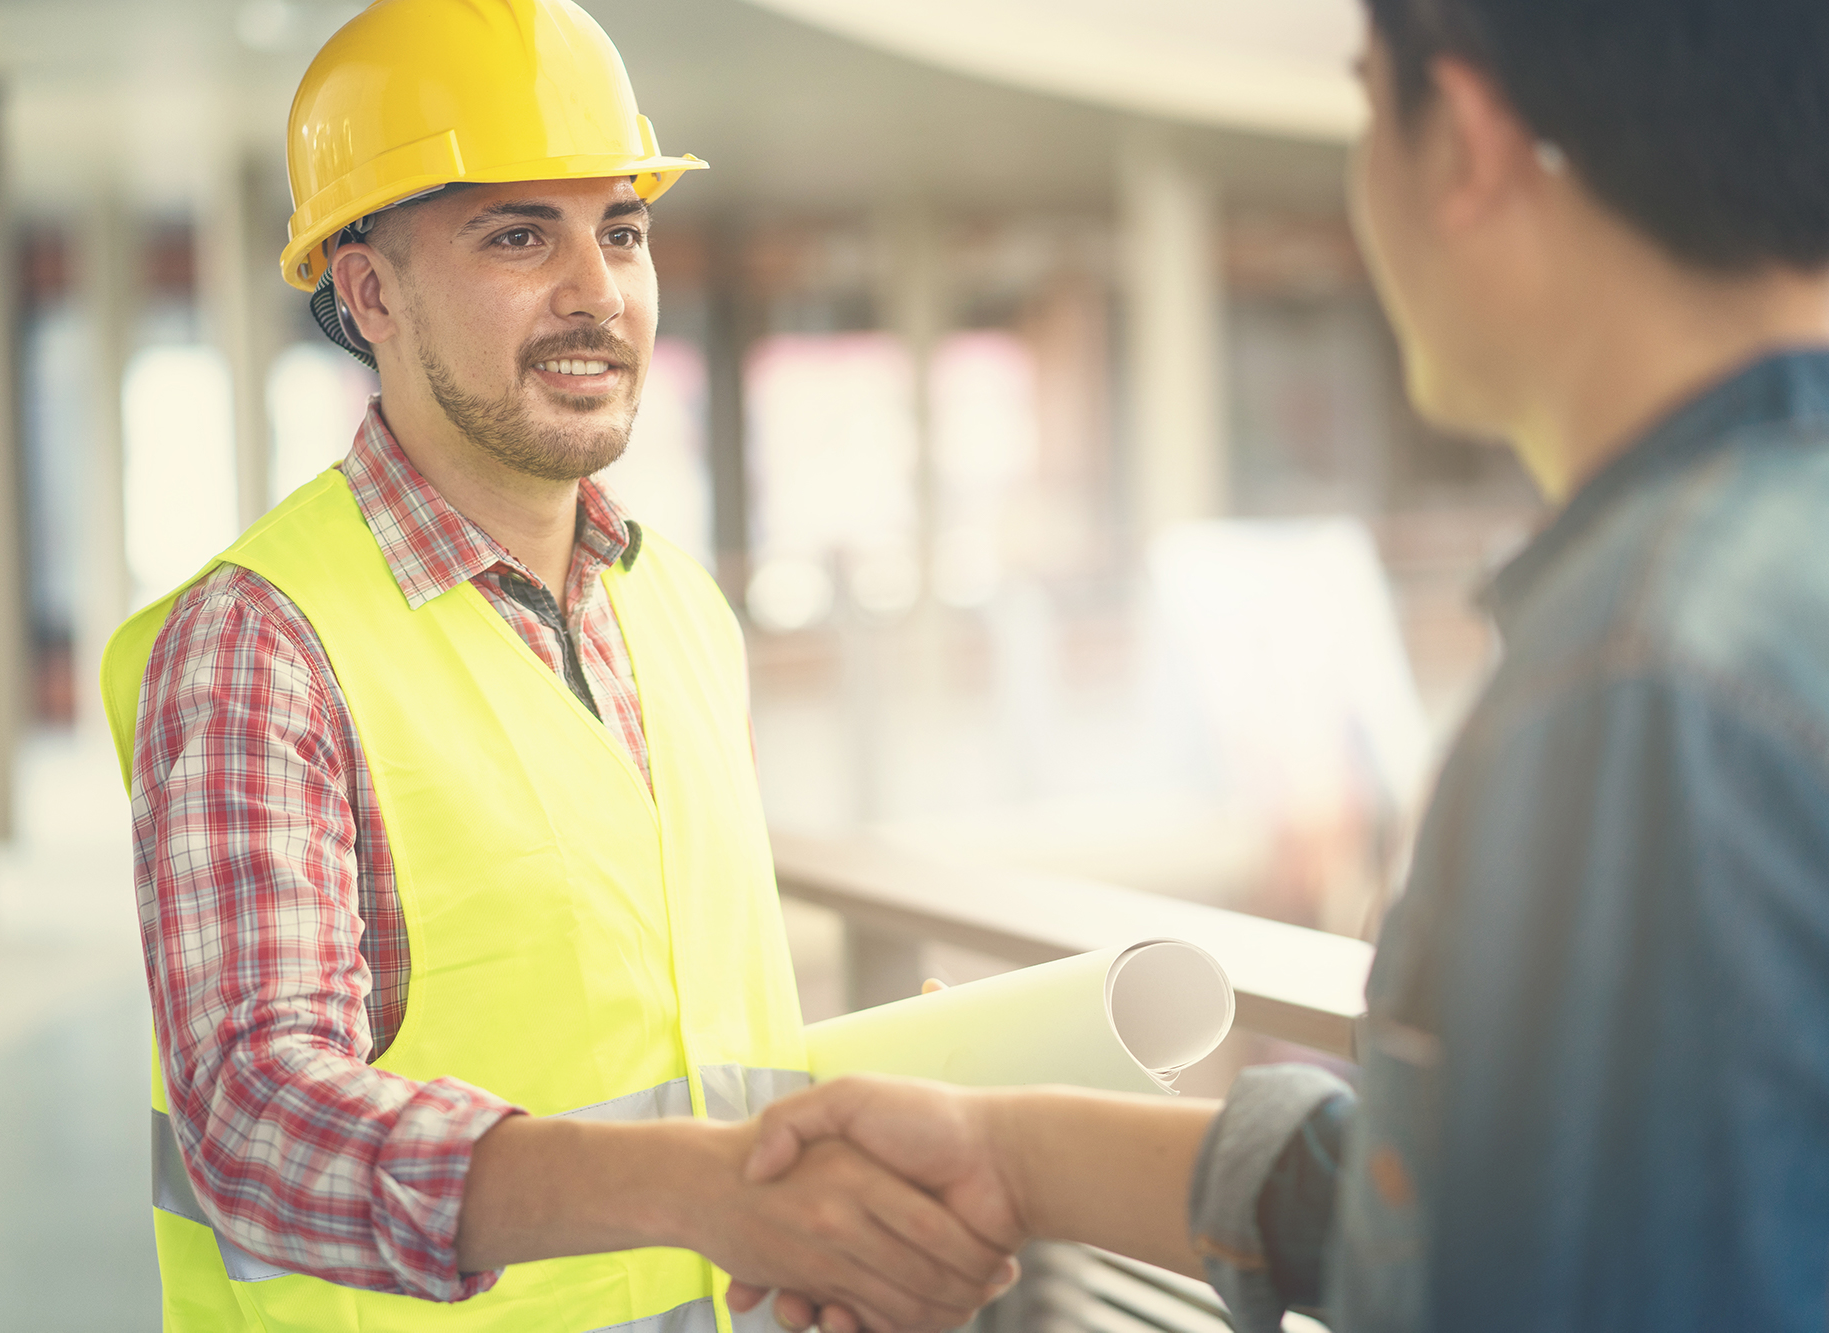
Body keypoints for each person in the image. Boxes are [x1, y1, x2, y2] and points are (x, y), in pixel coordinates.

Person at [742, 0, 1829, 1330]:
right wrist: (1008, 1153)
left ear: (1468, 142)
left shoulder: (1635, 685)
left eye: (1372, 107)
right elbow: (1509, 1196)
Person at [101, 2, 1011, 1331]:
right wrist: (692, 1185)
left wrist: (859, 1118)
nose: (598, 291)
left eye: (622, 232)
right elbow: (254, 1117)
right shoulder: (261, 643)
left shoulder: (681, 611)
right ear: (368, 290)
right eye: (519, 234)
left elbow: (676, 1032)